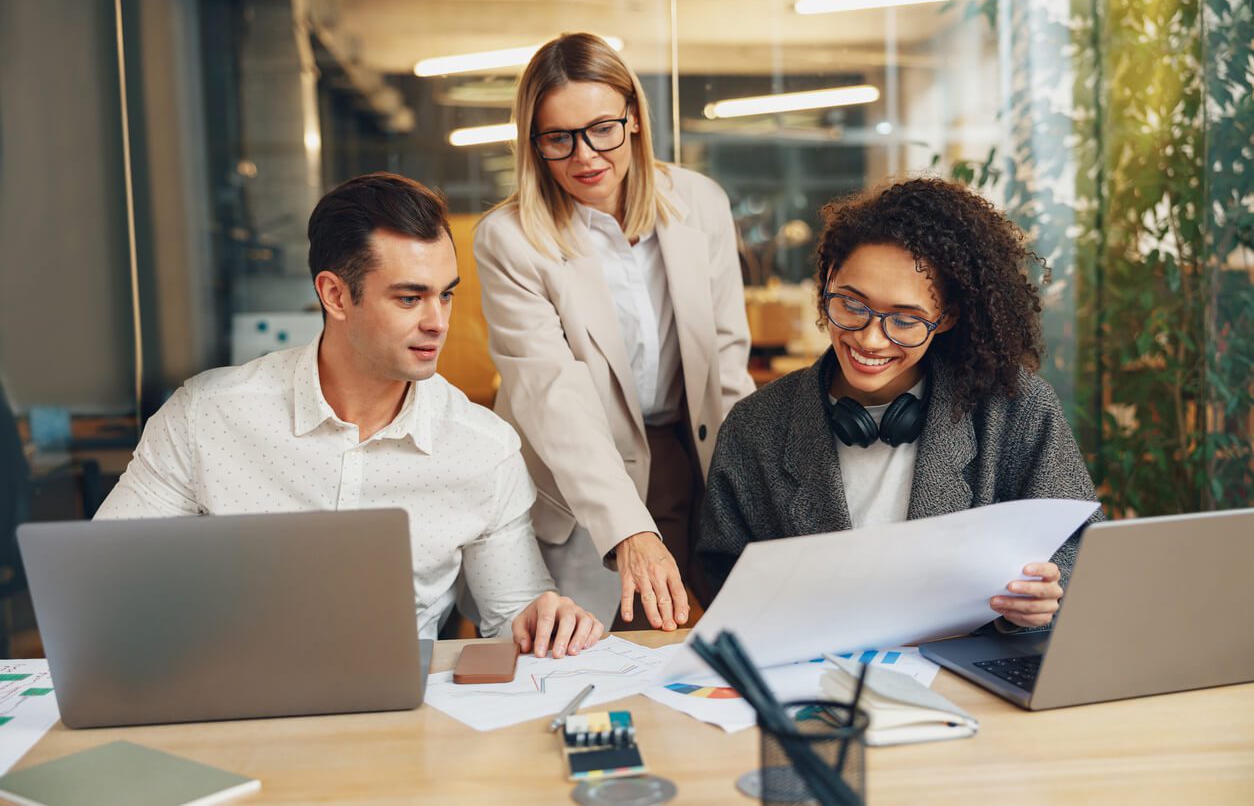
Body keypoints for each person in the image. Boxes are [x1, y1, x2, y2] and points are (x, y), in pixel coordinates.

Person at [96, 172, 603, 658]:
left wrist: (545, 619)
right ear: (335, 295)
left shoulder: (483, 447)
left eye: (445, 294)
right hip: (226, 702)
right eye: (410, 298)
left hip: (400, 719)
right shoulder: (206, 416)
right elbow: (106, 578)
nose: (438, 323)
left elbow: (511, 613)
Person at [697, 178, 1103, 631]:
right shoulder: (758, 426)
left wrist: (1046, 596)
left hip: (971, 678)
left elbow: (1079, 550)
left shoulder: (1015, 408)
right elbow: (722, 576)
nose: (870, 339)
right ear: (827, 280)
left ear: (946, 316)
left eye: (906, 320)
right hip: (813, 679)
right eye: (852, 305)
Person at [474, 33, 756, 632]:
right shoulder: (509, 238)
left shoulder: (700, 203)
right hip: (578, 487)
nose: (585, 156)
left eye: (602, 127)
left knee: (692, 655)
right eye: (558, 138)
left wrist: (754, 491)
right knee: (587, 660)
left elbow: (727, 363)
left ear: (633, 118)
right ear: (534, 142)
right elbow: (552, 394)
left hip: (686, 462)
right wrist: (627, 528)